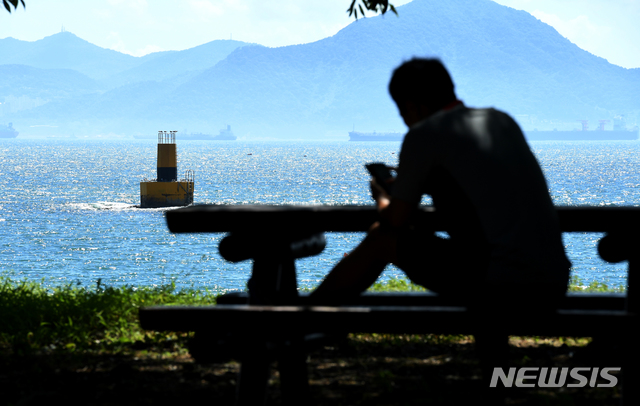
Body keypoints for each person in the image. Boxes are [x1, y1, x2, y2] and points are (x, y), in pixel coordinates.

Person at [311, 58, 571, 308]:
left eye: (402, 111)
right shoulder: (500, 120)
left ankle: (302, 322)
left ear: (414, 106)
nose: (404, 120)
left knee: (381, 238)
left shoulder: (424, 134)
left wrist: (381, 196)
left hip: (501, 284)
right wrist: (420, 179)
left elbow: (395, 220)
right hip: (553, 281)